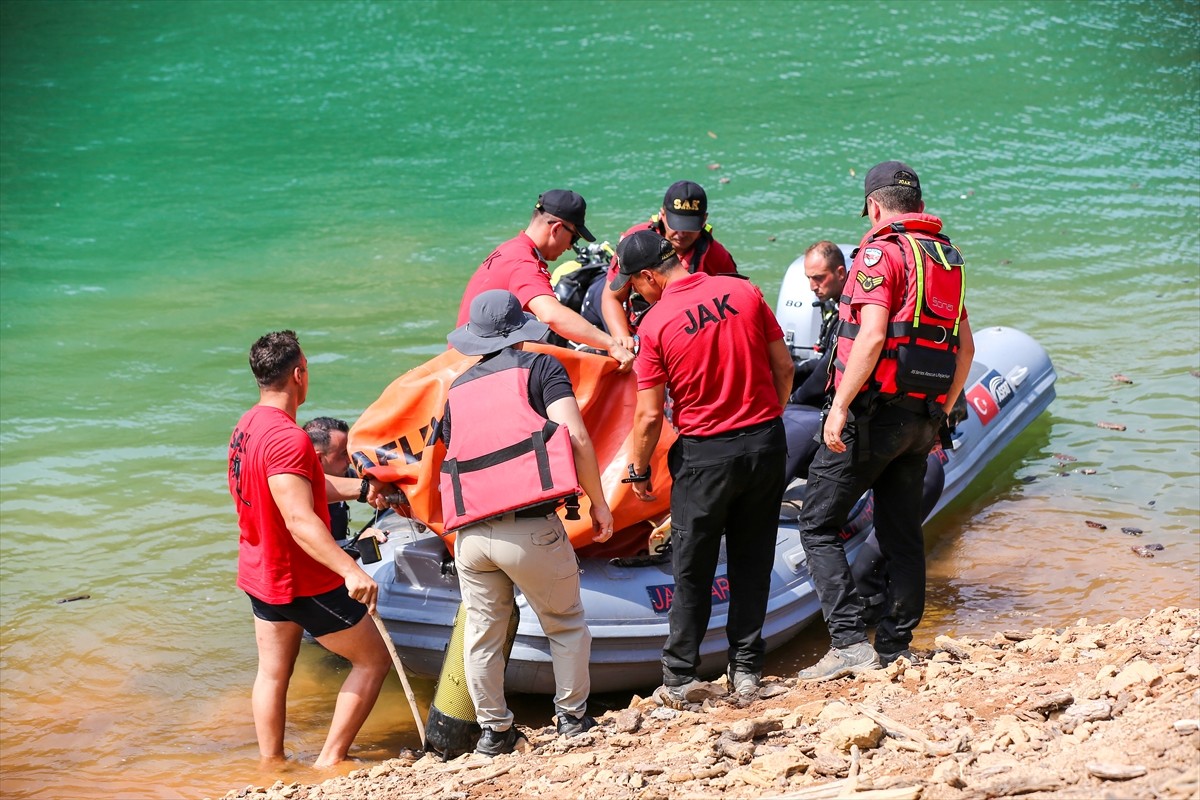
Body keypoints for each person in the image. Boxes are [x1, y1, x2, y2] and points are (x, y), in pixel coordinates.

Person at [795, 161, 975, 681]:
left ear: (874, 206)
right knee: (901, 532)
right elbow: (965, 347)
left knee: (818, 522)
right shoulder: (946, 258)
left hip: (873, 416)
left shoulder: (879, 254)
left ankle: (849, 643)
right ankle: (896, 644)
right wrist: (941, 409)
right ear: (919, 205)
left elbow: (872, 336)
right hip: (922, 419)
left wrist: (839, 406)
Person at [616, 230, 793, 705]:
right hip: (765, 443)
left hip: (706, 455)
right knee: (753, 558)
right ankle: (747, 670)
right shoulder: (743, 291)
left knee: (692, 566)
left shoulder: (655, 324)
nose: (636, 295)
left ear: (650, 276)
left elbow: (649, 415)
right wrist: (767, 416)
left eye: (634, 286)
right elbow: (784, 367)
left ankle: (679, 676)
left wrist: (638, 469)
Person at [438, 290, 615, 756]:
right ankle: (571, 719)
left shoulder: (457, 390)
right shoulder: (542, 368)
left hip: (471, 536)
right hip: (530, 528)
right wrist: (599, 503)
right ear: (520, 330)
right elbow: (576, 436)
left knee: (483, 635)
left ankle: (495, 733)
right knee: (565, 623)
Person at [227, 331, 391, 768]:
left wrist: (363, 491)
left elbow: (302, 485)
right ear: (299, 374)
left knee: (272, 673)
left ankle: (272, 765)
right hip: (302, 577)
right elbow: (299, 519)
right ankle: (330, 761)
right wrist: (351, 571)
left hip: (260, 570)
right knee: (373, 660)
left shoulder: (246, 426)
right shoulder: (289, 438)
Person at [457, 190, 634, 371]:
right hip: (475, 367)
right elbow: (551, 315)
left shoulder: (510, 249)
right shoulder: (523, 263)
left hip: (466, 358)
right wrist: (611, 344)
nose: (570, 247)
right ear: (556, 228)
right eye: (574, 238)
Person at [599, 181, 738, 350]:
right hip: (637, 331)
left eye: (689, 226)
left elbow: (734, 307)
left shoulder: (717, 257)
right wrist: (622, 339)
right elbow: (611, 297)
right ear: (662, 215)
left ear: (704, 220)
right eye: (676, 224)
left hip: (683, 336)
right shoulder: (635, 242)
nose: (681, 233)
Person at [783, 241, 848, 481]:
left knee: (787, 414)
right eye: (809, 278)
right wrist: (791, 373)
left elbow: (828, 368)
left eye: (819, 278)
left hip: (846, 406)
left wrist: (794, 399)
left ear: (840, 273)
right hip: (833, 391)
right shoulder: (838, 305)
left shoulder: (854, 310)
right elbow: (822, 360)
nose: (812, 286)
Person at [303, 416, 386, 559]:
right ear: (319, 458)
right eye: (343, 454)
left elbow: (376, 484)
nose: (350, 460)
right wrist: (357, 544)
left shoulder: (342, 473)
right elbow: (315, 555)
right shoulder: (300, 495)